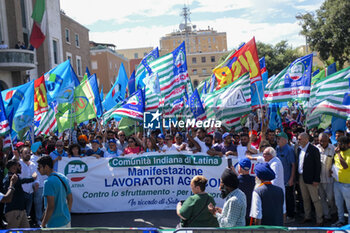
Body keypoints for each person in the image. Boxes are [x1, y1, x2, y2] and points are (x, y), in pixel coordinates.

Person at [37, 156, 72, 228]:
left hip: (55, 224)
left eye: (39, 167)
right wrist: (66, 213)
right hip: (66, 220)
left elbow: (50, 207)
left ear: (46, 167)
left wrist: (43, 224)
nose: (38, 170)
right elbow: (70, 199)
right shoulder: (63, 177)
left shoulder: (48, 182)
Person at [296, 132, 323, 226]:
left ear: (306, 139)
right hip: (301, 177)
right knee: (305, 198)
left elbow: (318, 165)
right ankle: (307, 216)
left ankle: (319, 219)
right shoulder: (299, 149)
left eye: (300, 139)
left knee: (315, 199)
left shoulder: (313, 149)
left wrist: (316, 179)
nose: (298, 141)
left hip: (311, 179)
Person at [3, 159, 37, 229]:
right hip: (13, 211)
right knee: (13, 231)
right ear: (13, 167)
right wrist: (33, 178)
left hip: (21, 210)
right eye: (19, 165)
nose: (21, 167)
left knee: (27, 230)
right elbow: (22, 181)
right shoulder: (9, 178)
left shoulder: (15, 176)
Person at [276, 132, 296, 223]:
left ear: (284, 140)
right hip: (279, 178)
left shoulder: (289, 150)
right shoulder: (277, 148)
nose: (277, 140)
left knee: (289, 198)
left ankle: (291, 216)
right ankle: (283, 214)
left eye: (279, 139)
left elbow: (293, 165)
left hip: (287, 178)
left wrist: (291, 178)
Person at [317, 133, 336, 222]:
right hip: (319, 178)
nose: (322, 143)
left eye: (324, 141)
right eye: (320, 141)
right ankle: (327, 215)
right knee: (322, 198)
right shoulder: (316, 148)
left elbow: (336, 162)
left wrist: (333, 169)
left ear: (328, 140)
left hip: (330, 179)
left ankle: (333, 212)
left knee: (330, 197)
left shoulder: (333, 148)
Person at [331, 136, 350, 227]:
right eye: (338, 143)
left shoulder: (348, 153)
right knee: (339, 204)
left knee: (349, 206)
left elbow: (345, 166)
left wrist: (338, 154)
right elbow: (336, 164)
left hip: (347, 184)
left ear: (348, 144)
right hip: (337, 182)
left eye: (341, 144)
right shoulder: (338, 152)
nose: (339, 145)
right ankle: (341, 220)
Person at [30, 142, 48, 226]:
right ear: (35, 149)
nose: (42, 149)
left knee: (46, 204)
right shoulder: (31, 159)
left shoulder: (43, 157)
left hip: (46, 183)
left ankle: (46, 218)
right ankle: (38, 219)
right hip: (38, 185)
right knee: (38, 204)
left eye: (41, 147)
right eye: (39, 148)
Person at [19, 146, 39, 218]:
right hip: (21, 192)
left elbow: (36, 177)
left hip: (30, 192)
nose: (28, 154)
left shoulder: (33, 165)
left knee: (27, 213)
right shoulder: (18, 164)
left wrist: (36, 183)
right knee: (20, 213)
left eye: (29, 153)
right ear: (21, 154)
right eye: (25, 153)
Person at [237, 158, 255, 225]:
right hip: (250, 213)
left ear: (240, 167)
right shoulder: (254, 180)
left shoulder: (235, 181)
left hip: (239, 214)